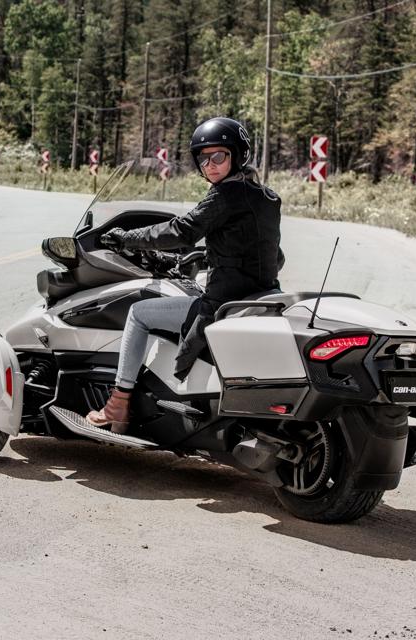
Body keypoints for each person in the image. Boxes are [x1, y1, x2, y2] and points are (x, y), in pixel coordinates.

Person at [85, 116, 283, 434]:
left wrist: (125, 238)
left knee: (138, 313)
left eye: (219, 156)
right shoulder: (265, 197)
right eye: (203, 158)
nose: (210, 165)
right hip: (262, 295)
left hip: (222, 303)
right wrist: (212, 258)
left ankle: (118, 402)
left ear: (237, 154)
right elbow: (271, 253)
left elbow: (181, 230)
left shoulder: (225, 195)